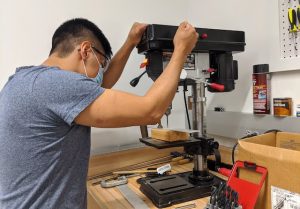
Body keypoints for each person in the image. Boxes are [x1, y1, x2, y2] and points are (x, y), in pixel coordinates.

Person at [0, 18, 198, 209]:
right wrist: (181, 50)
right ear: (86, 50)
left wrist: (130, 42)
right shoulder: (58, 85)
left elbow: (100, 85)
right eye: (101, 64)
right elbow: (152, 110)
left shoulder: (21, 80)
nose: (99, 74)